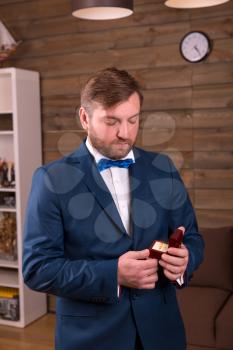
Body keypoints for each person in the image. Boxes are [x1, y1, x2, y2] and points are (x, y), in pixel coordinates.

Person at [23, 67, 204, 350]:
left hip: (162, 334)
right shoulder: (51, 179)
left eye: (133, 120)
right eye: (112, 121)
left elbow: (191, 237)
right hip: (90, 338)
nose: (125, 133)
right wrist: (113, 274)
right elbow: (38, 268)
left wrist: (185, 261)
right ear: (84, 117)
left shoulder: (163, 168)